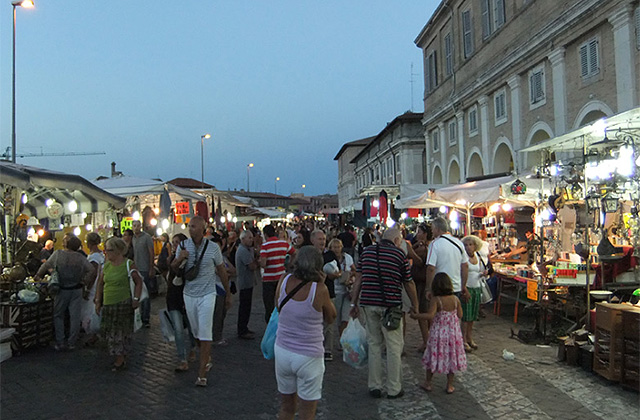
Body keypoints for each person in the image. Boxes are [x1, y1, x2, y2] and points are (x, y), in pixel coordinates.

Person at [350, 228, 419, 399]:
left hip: (368, 303)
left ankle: (375, 386)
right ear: (396, 240)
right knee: (394, 346)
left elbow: (358, 279)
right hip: (391, 306)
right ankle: (394, 388)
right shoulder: (399, 255)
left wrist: (354, 302)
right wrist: (415, 305)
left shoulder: (366, 253)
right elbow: (408, 283)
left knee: (374, 344)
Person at [274, 246, 337, 420]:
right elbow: (331, 317)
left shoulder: (284, 280)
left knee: (286, 407)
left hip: (283, 350)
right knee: (306, 413)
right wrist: (322, 285)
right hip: (309, 355)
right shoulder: (319, 290)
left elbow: (278, 306)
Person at [171, 216, 231, 387]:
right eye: (189, 226)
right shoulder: (183, 246)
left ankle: (202, 374)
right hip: (189, 294)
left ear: (203, 229)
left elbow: (221, 271)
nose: (191, 229)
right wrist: (180, 258)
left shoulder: (213, 248)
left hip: (207, 294)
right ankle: (207, 358)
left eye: (194, 227)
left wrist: (227, 293)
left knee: (205, 332)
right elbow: (173, 268)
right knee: (196, 333)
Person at [34, 235, 95, 351]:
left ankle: (60, 341)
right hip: (76, 289)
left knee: (58, 315)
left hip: (61, 289)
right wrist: (84, 281)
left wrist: (38, 275)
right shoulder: (80, 258)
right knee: (75, 317)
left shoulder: (58, 254)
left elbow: (46, 265)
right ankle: (72, 342)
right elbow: (91, 270)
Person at [412, 272, 467, 394]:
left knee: (433, 355)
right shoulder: (455, 299)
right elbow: (460, 315)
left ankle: (428, 383)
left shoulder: (436, 300)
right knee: (451, 357)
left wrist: (417, 316)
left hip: (439, 334)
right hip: (453, 334)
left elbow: (430, 315)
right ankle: (450, 385)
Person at [94, 237, 143, 370]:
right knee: (110, 332)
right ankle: (118, 355)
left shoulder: (128, 264)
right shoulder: (107, 265)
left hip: (123, 303)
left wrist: (136, 299)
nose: (106, 253)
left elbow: (138, 281)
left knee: (120, 333)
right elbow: (100, 283)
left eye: (108, 250)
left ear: (117, 251)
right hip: (108, 303)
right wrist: (98, 301)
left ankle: (120, 358)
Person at [166, 233, 196, 372]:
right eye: (173, 242)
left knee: (191, 327)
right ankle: (182, 358)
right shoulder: (172, 259)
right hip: (173, 297)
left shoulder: (190, 260)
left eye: (177, 242)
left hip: (186, 296)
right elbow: (170, 268)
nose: (174, 245)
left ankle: (193, 348)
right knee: (178, 329)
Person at [425, 217, 469, 302]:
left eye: (432, 229)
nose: (432, 232)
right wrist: (463, 286)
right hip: (456, 287)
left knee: (440, 313)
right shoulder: (459, 243)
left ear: (437, 229)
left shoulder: (434, 244)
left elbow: (431, 268)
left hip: (440, 287)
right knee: (453, 314)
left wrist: (428, 288)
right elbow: (465, 266)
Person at [311, 229, 339, 361]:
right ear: (312, 240)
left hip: (329, 291)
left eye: (323, 239)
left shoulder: (330, 255)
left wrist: (333, 275)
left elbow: (338, 272)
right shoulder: (309, 255)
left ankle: (327, 349)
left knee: (329, 321)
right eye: (319, 239)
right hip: (312, 292)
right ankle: (315, 346)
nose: (322, 241)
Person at [260, 224, 295, 323]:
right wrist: (289, 265)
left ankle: (271, 325)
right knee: (281, 302)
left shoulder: (265, 246)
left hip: (268, 279)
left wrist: (260, 262)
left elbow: (263, 263)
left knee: (269, 305)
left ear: (265, 234)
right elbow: (294, 253)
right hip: (281, 277)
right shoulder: (283, 244)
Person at [461, 235, 486, 352]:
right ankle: (463, 340)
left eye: (470, 245)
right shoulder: (463, 257)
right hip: (467, 288)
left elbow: (478, 271)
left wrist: (483, 273)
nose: (468, 247)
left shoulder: (478, 256)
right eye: (466, 245)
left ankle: (469, 337)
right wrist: (464, 288)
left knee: (472, 316)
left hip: (476, 287)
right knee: (466, 316)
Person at [327, 238, 355, 341]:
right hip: (336, 291)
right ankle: (342, 339)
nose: (336, 249)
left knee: (345, 318)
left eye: (338, 247)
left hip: (348, 290)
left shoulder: (347, 258)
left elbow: (354, 270)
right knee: (338, 318)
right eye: (334, 247)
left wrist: (349, 275)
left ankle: (343, 339)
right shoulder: (329, 259)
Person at [211, 233, 235, 346]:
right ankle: (216, 336)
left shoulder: (223, 258)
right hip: (216, 289)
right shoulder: (212, 260)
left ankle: (218, 334)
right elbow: (221, 273)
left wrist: (226, 272)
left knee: (223, 313)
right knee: (217, 314)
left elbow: (233, 270)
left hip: (225, 288)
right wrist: (226, 272)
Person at [235, 229, 259, 339]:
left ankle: (244, 327)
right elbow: (252, 266)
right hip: (244, 283)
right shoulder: (243, 251)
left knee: (246, 306)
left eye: (251, 237)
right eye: (249, 238)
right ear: (243, 239)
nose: (251, 240)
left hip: (248, 282)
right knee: (244, 307)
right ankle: (242, 330)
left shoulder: (248, 250)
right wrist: (258, 261)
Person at [81, 232, 105, 344]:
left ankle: (93, 333)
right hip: (99, 286)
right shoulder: (101, 254)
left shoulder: (94, 257)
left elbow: (93, 273)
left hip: (94, 287)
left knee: (91, 311)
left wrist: (87, 288)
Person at [132, 220, 155, 327]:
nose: (136, 228)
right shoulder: (132, 239)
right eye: (134, 226)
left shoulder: (146, 238)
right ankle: (139, 317)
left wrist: (151, 268)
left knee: (145, 295)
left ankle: (145, 318)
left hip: (145, 269)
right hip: (136, 269)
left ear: (140, 226)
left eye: (138, 226)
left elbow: (151, 253)